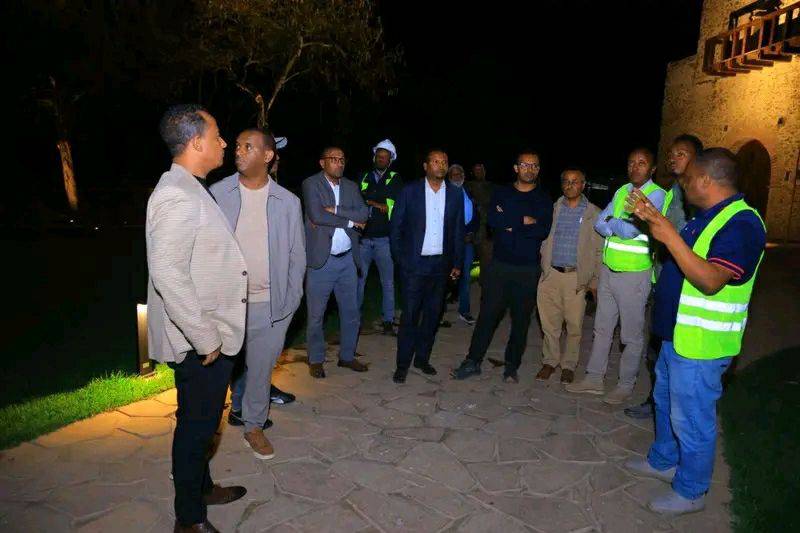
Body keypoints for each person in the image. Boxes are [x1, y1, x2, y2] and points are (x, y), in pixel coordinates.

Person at [623, 148, 766, 515]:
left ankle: (691, 491)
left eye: (687, 179)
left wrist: (669, 234)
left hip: (702, 345)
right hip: (678, 335)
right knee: (665, 402)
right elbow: (683, 259)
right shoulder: (706, 217)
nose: (682, 186)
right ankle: (663, 460)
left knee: (692, 419)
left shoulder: (742, 223)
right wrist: (655, 222)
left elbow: (710, 279)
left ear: (705, 179)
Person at [146, 104, 247, 532]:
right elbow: (167, 273)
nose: (224, 143)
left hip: (206, 334)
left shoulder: (189, 186)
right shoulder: (175, 194)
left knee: (201, 423)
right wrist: (206, 338)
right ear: (196, 142)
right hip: (199, 341)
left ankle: (202, 489)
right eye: (217, 134)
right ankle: (188, 520)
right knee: (195, 430)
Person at [211, 128, 305, 460]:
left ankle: (253, 425)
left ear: (267, 155)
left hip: (270, 306)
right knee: (216, 373)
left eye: (247, 146)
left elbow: (297, 257)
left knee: (261, 371)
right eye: (237, 146)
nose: (238, 151)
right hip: (226, 307)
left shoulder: (288, 202)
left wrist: (290, 303)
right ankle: (201, 441)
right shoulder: (217, 194)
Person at [566, 148, 670, 403]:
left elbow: (630, 231)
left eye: (642, 163)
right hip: (609, 271)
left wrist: (613, 221)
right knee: (602, 328)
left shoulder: (657, 195)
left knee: (631, 335)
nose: (635, 167)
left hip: (634, 274)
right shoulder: (622, 190)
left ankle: (625, 384)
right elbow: (599, 223)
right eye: (631, 162)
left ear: (652, 169)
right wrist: (616, 222)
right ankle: (594, 378)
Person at [451, 150, 552, 383]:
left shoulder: (543, 199)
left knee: (521, 321)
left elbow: (542, 229)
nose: (530, 169)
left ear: (538, 169)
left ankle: (511, 366)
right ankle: (472, 361)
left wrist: (511, 221)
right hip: (500, 266)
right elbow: (495, 221)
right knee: (487, 316)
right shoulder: (502, 193)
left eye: (534, 166)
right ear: (516, 168)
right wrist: (524, 220)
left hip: (527, 269)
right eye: (525, 165)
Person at [625, 133, 703, 419]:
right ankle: (658, 402)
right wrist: (648, 217)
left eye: (681, 153)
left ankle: (669, 408)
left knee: (670, 351)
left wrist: (651, 218)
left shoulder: (696, 195)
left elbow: (682, 237)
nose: (673, 158)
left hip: (682, 282)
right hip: (664, 277)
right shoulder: (675, 190)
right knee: (657, 348)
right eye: (672, 153)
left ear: (698, 159)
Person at [391, 149, 464, 383]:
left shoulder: (455, 194)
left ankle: (422, 359)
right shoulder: (409, 191)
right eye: (435, 161)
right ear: (425, 166)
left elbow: (458, 230)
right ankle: (402, 364)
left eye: (444, 162)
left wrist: (457, 262)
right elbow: (396, 227)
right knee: (410, 316)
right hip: (414, 265)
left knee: (432, 316)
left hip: (440, 266)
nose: (441, 165)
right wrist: (401, 260)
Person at [302, 147, 370, 378]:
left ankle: (347, 356)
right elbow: (317, 215)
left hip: (348, 260)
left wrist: (337, 210)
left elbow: (364, 213)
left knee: (351, 312)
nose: (339, 163)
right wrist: (350, 222)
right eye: (333, 159)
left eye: (342, 159)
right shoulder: (311, 184)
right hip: (322, 261)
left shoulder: (351, 186)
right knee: (316, 315)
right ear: (322, 163)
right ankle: (316, 359)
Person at [535, 167, 603, 384]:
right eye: (566, 181)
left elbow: (599, 250)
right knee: (549, 323)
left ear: (583, 185)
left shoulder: (594, 213)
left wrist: (594, 281)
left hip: (576, 277)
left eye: (575, 181)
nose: (570, 185)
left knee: (574, 325)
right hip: (551, 275)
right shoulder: (553, 209)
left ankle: (569, 365)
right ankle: (550, 361)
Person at [357, 139, 404, 335]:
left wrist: (372, 202)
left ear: (390, 160)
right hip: (363, 239)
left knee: (387, 282)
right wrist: (377, 204)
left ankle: (388, 322)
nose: (381, 159)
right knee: (359, 281)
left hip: (384, 239)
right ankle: (355, 321)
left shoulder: (395, 178)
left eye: (385, 157)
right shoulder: (364, 176)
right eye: (379, 156)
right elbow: (359, 198)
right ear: (374, 157)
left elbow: (394, 205)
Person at [447, 164, 480, 325]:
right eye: (453, 174)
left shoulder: (468, 191)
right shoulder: (444, 193)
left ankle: (464, 310)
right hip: (449, 242)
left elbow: (475, 215)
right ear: (449, 177)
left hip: (466, 242)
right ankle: (436, 310)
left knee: (466, 276)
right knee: (444, 275)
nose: (457, 176)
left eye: (459, 173)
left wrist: (471, 232)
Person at [466, 162, 494, 286]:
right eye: (476, 170)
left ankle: (485, 287)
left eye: (481, 170)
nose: (479, 172)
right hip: (469, 231)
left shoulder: (491, 187)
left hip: (486, 231)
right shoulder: (467, 186)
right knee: (465, 262)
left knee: (486, 262)